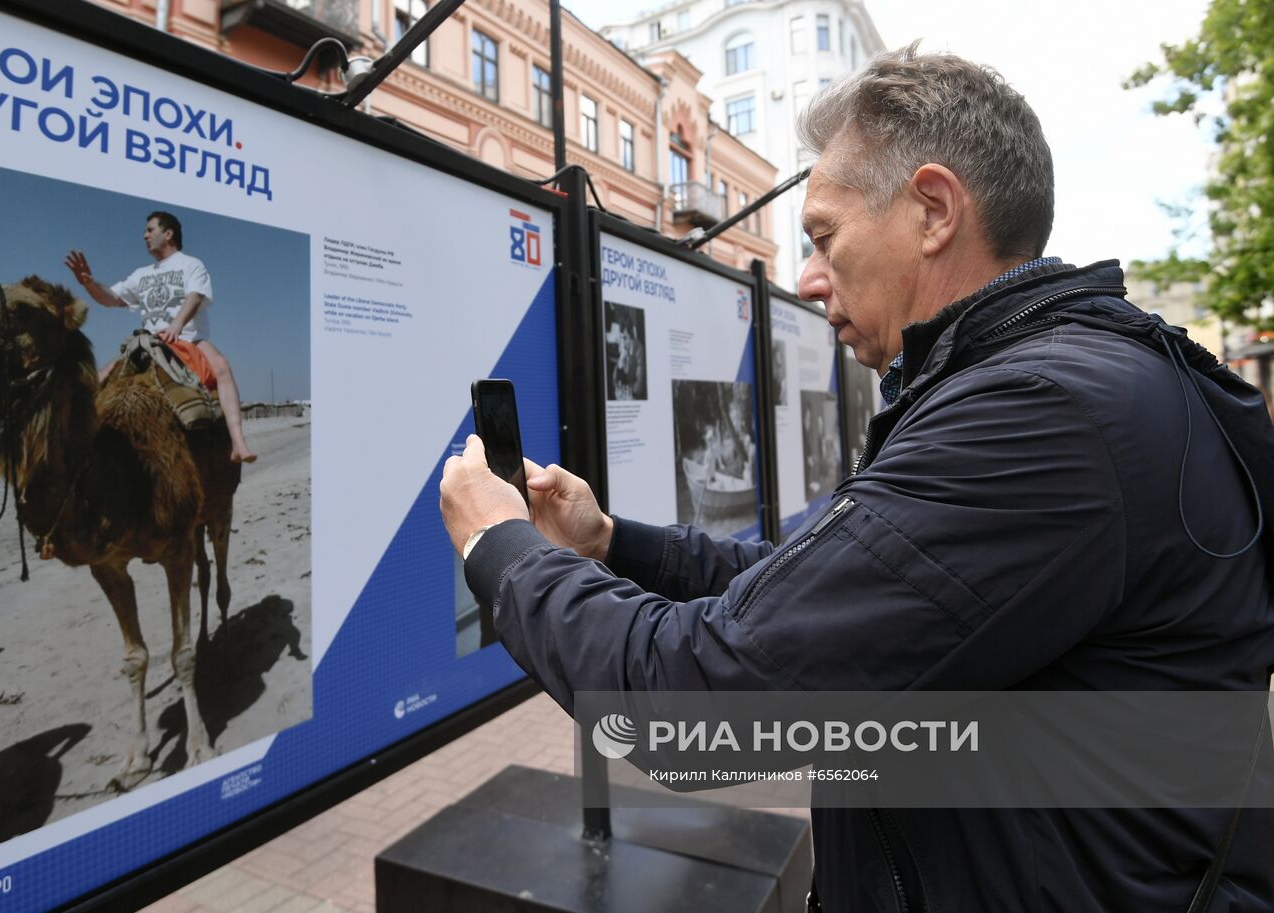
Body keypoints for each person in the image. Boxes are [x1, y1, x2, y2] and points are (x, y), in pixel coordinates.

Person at [440, 45, 1274, 912]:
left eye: (825, 236)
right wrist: (607, 541)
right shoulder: (1054, 389)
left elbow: (702, 709)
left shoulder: (1040, 416)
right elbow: (807, 599)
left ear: (933, 210)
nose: (805, 278)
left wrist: (499, 547)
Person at [65, 211, 257, 463]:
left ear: (168, 234)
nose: (144, 235)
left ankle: (237, 442)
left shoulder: (191, 264)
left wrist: (176, 326)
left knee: (222, 366)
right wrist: (88, 283)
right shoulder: (141, 274)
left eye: (150, 230)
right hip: (149, 342)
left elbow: (195, 296)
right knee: (101, 377)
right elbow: (111, 298)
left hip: (189, 339)